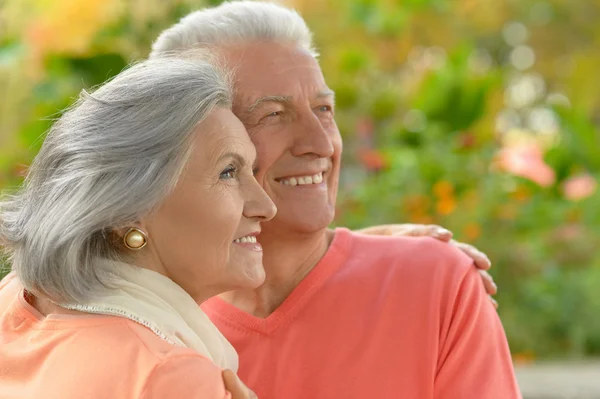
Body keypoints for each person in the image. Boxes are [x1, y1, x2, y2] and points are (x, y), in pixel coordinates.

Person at [150, 2, 522, 398]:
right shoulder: (145, 324)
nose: (321, 142)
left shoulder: (435, 284)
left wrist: (372, 261)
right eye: (274, 114)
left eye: (323, 109)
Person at [0, 56, 268, 398]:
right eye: (228, 172)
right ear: (127, 207)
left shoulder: (17, 298)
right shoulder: (167, 375)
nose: (266, 207)